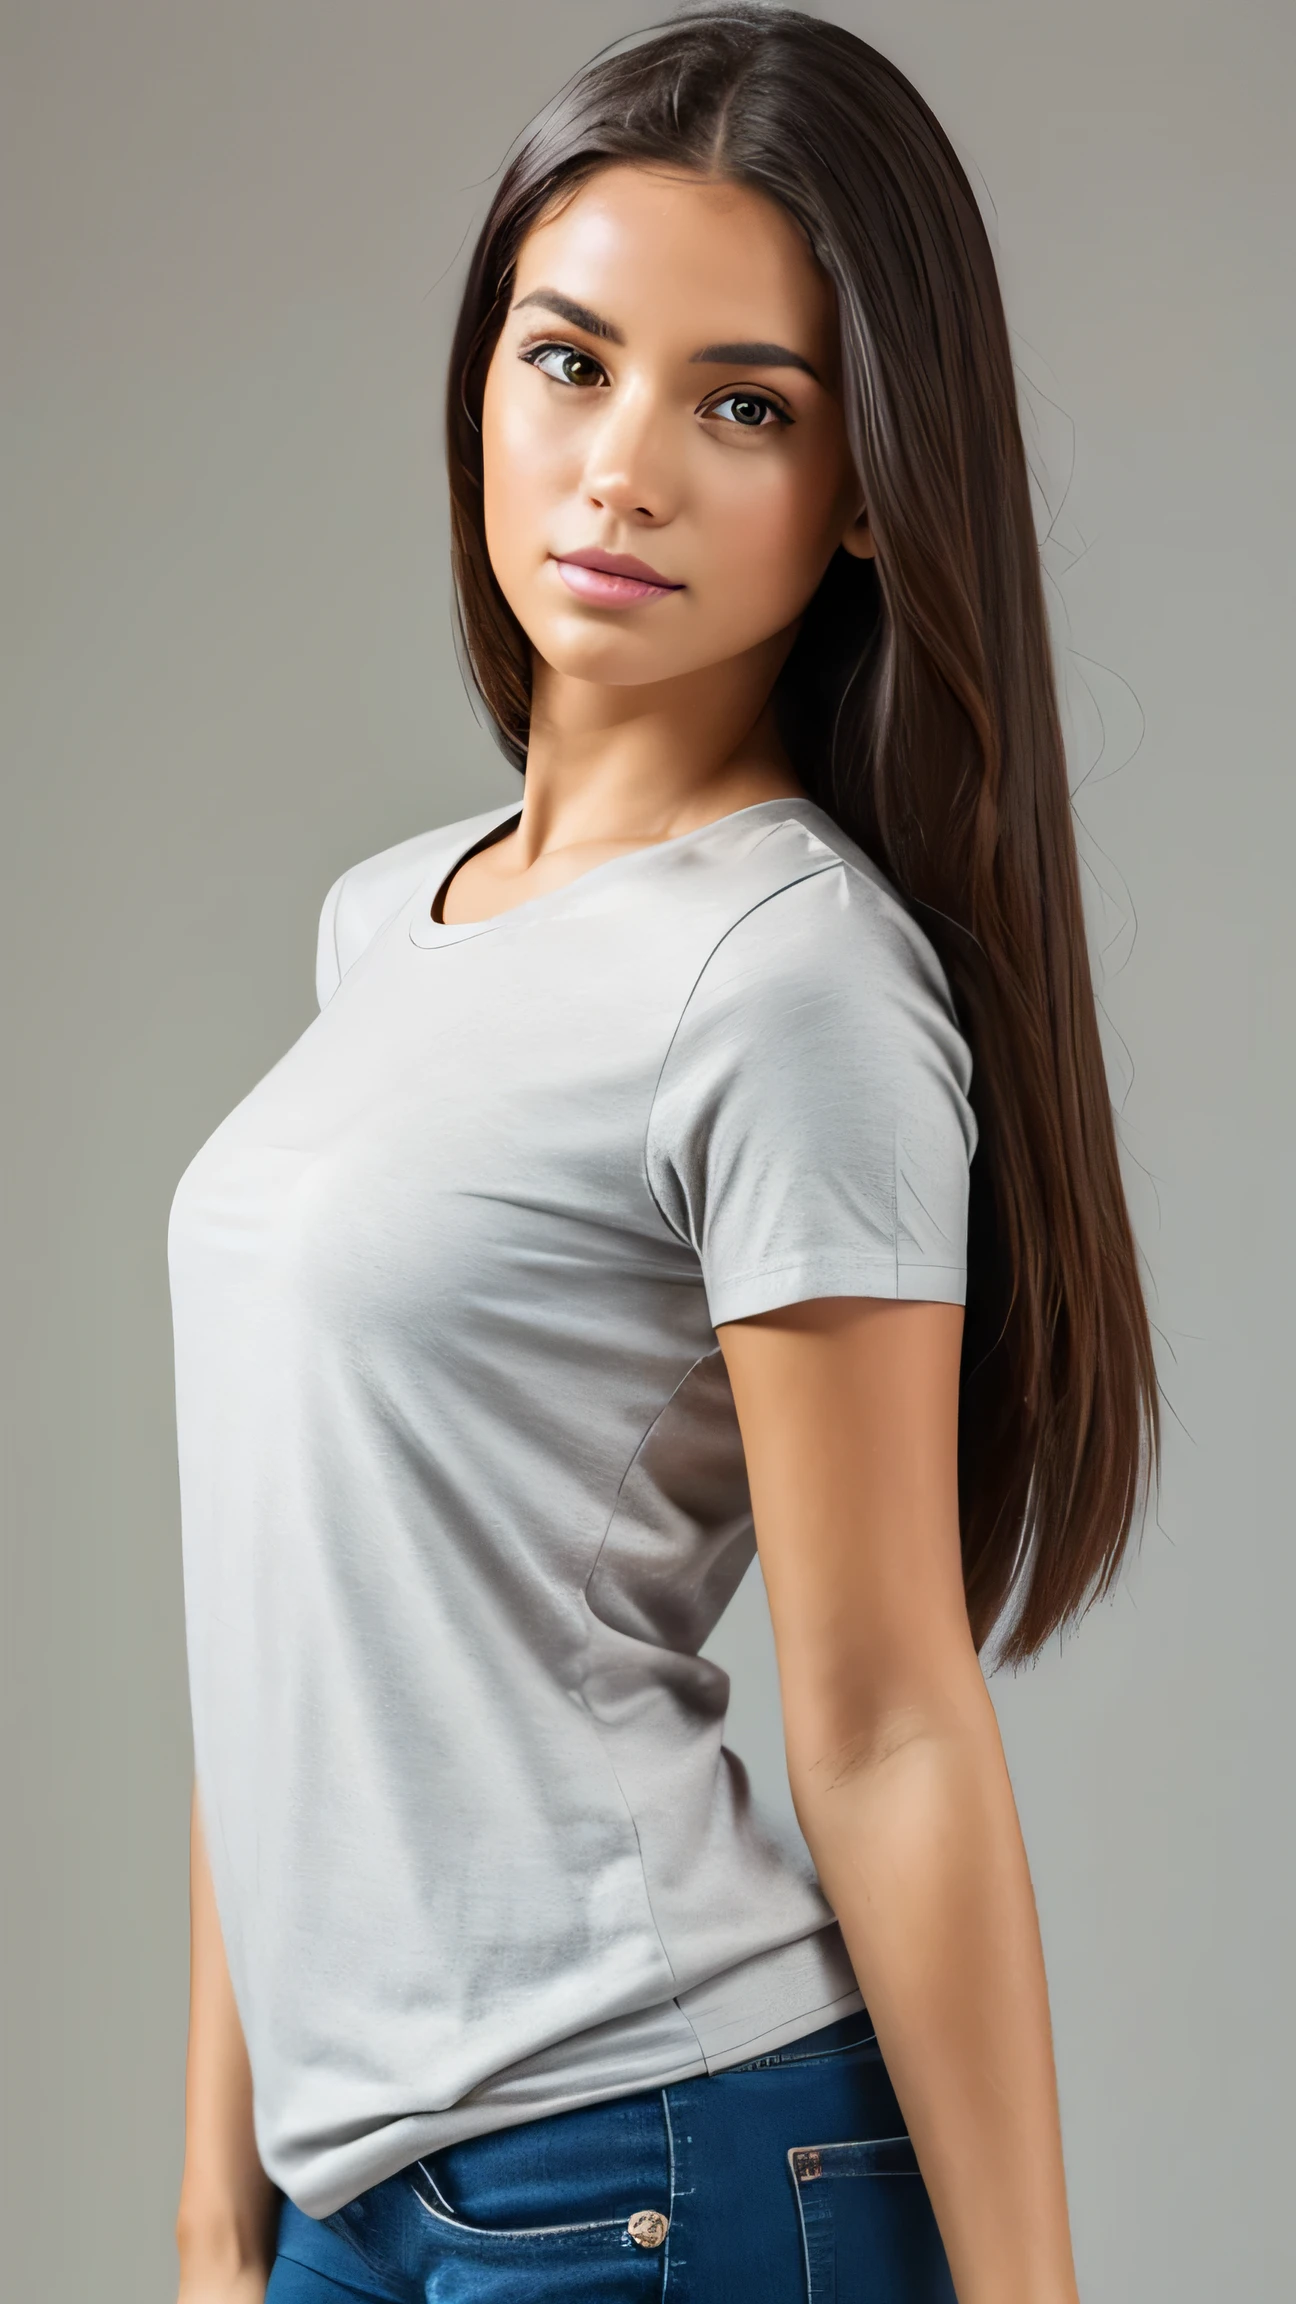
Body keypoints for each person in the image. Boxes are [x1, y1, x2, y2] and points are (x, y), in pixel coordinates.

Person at [169, 10, 1157, 2301]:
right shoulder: (384, 924)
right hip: (359, 2194)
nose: (620, 468)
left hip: (651, 2169)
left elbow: (892, 1712)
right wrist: (217, 2219)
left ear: (866, 487)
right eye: (566, 361)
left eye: (743, 406)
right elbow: (286, 1621)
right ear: (477, 388)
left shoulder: (790, 979)